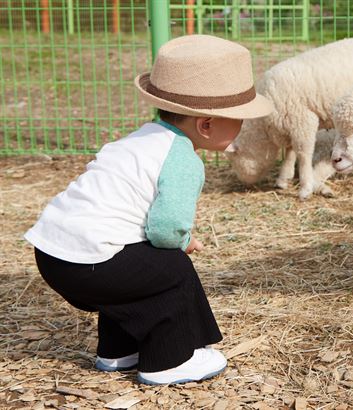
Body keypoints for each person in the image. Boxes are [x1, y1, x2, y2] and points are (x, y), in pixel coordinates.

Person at [23, 35, 273, 385]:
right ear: (206, 124)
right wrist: (182, 242)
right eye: (237, 119)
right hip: (89, 261)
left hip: (53, 255)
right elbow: (167, 227)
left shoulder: (141, 138)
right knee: (171, 268)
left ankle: (117, 351)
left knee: (135, 266)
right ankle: (169, 361)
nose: (242, 126)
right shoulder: (184, 159)